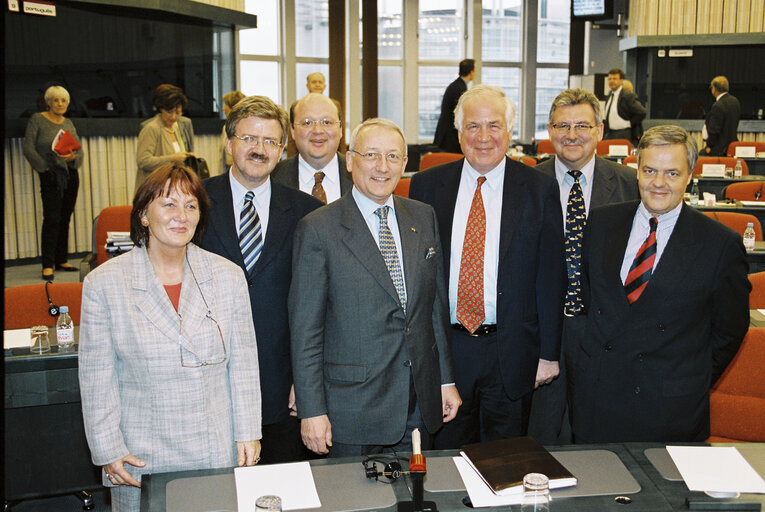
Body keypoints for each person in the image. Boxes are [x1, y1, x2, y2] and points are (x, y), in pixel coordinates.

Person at [78, 163, 262, 512]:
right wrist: (107, 449)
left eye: (191, 205)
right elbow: (96, 378)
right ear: (144, 215)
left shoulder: (228, 276)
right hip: (141, 454)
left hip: (214, 446)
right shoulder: (105, 284)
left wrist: (249, 431)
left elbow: (244, 363)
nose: (181, 216)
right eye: (168, 204)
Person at [290, 117, 461, 457]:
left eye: (393, 156)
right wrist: (311, 410)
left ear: (405, 164)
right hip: (350, 411)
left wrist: (445, 380)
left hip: (418, 403)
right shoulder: (318, 228)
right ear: (350, 160)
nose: (383, 167)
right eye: (371, 155)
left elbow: (433, 308)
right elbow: (305, 330)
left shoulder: (423, 217)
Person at [569, 125, 750, 443]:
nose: (658, 184)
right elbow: (587, 299)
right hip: (597, 398)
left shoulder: (719, 243)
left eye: (672, 173)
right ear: (636, 170)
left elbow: (730, 330)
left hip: (670, 407)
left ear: (689, 176)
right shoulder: (601, 221)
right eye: (650, 170)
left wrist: (688, 376)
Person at [409, 84, 566, 448]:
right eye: (473, 126)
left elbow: (551, 276)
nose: (483, 137)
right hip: (447, 351)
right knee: (446, 461)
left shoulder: (539, 189)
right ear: (459, 132)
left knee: (505, 461)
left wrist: (548, 354)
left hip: (510, 351)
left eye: (493, 126)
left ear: (510, 132)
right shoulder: (427, 186)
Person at [202, 96, 322, 464]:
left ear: (283, 150)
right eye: (249, 138)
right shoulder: (195, 203)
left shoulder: (309, 213)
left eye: (270, 142)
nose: (259, 149)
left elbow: (319, 307)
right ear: (228, 143)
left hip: (283, 388)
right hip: (209, 382)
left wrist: (307, 385)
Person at [529, 88, 639, 445]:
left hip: (604, 332)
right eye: (562, 125)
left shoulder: (630, 186)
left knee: (600, 438)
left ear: (600, 131)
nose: (571, 135)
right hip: (544, 330)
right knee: (541, 436)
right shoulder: (527, 184)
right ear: (549, 131)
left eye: (582, 125)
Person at [22, 85, 84, 281]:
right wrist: (44, 168)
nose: (60, 104)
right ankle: (47, 264)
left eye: (64, 100)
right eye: (56, 100)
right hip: (50, 175)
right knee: (52, 218)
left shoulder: (68, 122)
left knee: (65, 217)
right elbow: (28, 147)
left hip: (70, 175)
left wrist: (74, 157)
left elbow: (79, 150)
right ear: (49, 102)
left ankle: (61, 259)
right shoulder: (37, 120)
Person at [272, 93, 351, 203]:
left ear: (340, 129)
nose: (318, 131)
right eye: (307, 123)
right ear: (292, 130)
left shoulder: (361, 175)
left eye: (327, 122)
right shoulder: (272, 178)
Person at [135, 84, 197, 191]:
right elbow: (143, 161)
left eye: (178, 113)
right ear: (160, 109)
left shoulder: (176, 128)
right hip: (154, 190)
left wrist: (187, 157)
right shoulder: (151, 128)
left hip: (173, 188)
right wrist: (172, 158)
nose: (173, 117)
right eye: (169, 112)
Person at [433, 59, 475, 154]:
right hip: (450, 138)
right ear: (472, 72)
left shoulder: (456, 85)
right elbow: (459, 115)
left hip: (447, 135)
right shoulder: (460, 88)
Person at [603, 68, 646, 146]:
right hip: (610, 134)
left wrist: (630, 123)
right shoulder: (610, 95)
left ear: (621, 80)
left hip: (623, 133)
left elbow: (642, 112)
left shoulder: (627, 95)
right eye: (609, 79)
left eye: (615, 79)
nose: (611, 81)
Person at [703, 76, 741, 156]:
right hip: (733, 146)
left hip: (719, 149)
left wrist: (709, 146)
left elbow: (714, 130)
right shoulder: (735, 101)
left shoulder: (718, 105)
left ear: (715, 89)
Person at [220, 90, 246, 173]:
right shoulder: (226, 127)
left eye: (226, 105)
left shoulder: (246, 129)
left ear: (233, 107)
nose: (223, 108)